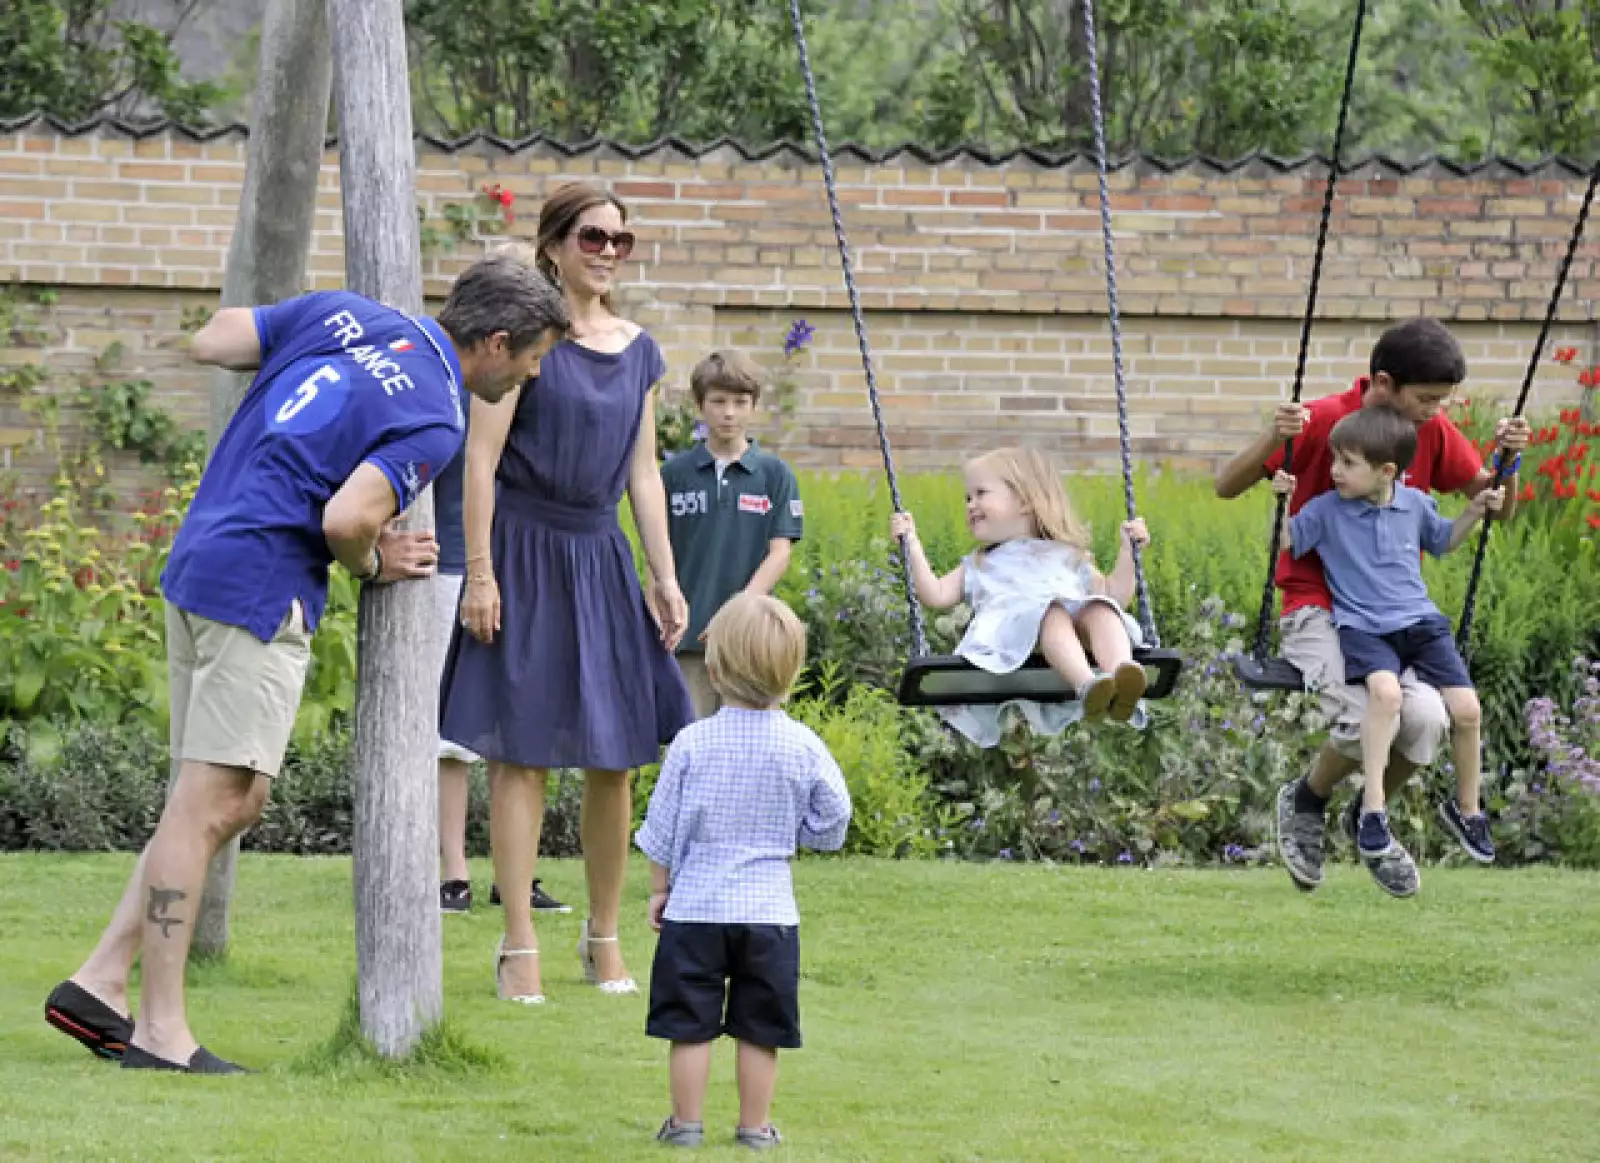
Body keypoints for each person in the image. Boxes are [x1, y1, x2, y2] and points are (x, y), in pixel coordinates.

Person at [42, 256, 570, 1073]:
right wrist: (375, 562)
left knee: (227, 798)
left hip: (202, 553)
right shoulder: (437, 412)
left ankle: (101, 979)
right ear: (496, 343)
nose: (531, 375)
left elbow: (212, 339)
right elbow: (347, 518)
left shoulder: (347, 315)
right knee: (210, 804)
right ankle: (160, 1030)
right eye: (533, 358)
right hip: (261, 582)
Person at [438, 184, 695, 1006]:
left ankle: (603, 937)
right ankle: (518, 942)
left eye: (622, 239)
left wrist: (664, 575)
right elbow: (480, 460)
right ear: (552, 244)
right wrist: (480, 571)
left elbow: (644, 473)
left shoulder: (641, 351)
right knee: (520, 755)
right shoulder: (530, 338)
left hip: (599, 556)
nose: (609, 251)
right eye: (594, 236)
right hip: (523, 551)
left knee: (615, 757)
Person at [1213, 317, 1530, 897]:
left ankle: (1368, 816)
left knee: (1429, 722)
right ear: (1385, 383)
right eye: (1427, 399)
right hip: (1317, 606)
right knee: (1363, 718)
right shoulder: (1326, 422)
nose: (1436, 411)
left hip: (1390, 617)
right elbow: (1225, 486)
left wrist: (1510, 460)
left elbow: (1497, 509)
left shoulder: (1430, 430)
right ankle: (1307, 799)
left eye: (1442, 400)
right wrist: (1271, 437)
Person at [635, 593, 852, 1151]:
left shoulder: (692, 743)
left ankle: (685, 1124)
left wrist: (660, 889)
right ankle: (755, 1127)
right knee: (760, 1027)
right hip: (770, 913)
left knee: (690, 1024)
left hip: (696, 908)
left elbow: (661, 826)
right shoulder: (802, 745)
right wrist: (806, 835)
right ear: (792, 674)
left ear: (713, 670)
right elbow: (835, 814)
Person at [1272, 405, 1504, 896]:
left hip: (1419, 623)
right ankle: (1369, 810)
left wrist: (1474, 510)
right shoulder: (1327, 510)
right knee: (1385, 698)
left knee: (1462, 712)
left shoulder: (1415, 504)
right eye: (1335, 459)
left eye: (1347, 463)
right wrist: (1282, 504)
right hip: (1363, 627)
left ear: (1387, 472)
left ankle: (1465, 810)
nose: (1335, 471)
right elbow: (1287, 542)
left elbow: (1442, 541)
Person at [890, 446, 1152, 747]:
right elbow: (935, 594)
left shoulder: (1067, 554)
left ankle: (1121, 677)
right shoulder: (981, 563)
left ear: (1025, 500)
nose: (971, 504)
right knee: (1051, 613)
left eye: (980, 493)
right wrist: (911, 544)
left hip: (1070, 638)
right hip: (1009, 642)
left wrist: (1128, 552)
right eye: (967, 498)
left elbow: (1115, 595)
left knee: (1101, 609)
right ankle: (1088, 686)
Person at [431, 395, 567, 917]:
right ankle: (454, 873)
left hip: (520, 566)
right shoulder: (441, 386)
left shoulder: (529, 383)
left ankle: (515, 875)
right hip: (448, 565)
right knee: (452, 735)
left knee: (516, 722)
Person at [661, 349, 804, 719]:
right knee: (687, 734)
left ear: (753, 406)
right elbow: (657, 554)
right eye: (718, 401)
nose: (729, 413)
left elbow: (780, 553)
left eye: (740, 403)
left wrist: (736, 613)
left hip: (749, 642)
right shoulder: (673, 475)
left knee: (749, 736)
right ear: (699, 405)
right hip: (687, 639)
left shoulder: (774, 475)